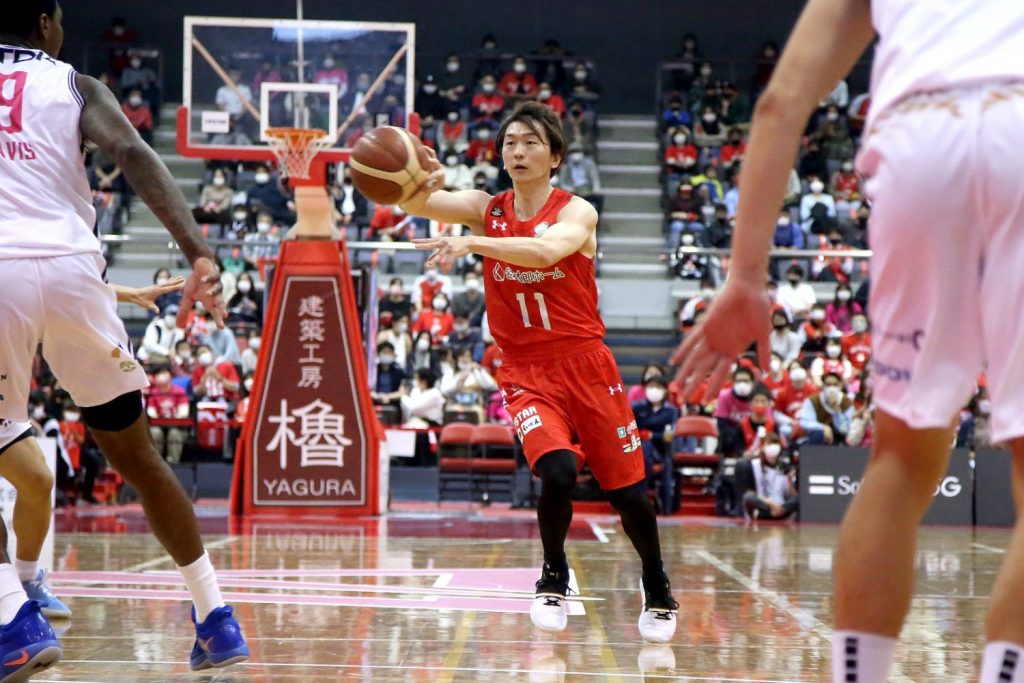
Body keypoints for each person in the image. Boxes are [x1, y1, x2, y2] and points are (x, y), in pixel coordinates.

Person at [0, 3, 248, 677]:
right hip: (75, 271)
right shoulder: (74, 83)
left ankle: (14, 618)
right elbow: (134, 152)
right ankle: (215, 616)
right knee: (137, 455)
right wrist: (199, 253)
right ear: (45, 23)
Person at [408, 101, 677, 642]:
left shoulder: (577, 212)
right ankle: (553, 575)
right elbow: (412, 200)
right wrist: (415, 176)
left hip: (587, 365)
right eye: (510, 142)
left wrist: (472, 241)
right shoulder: (485, 207)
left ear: (554, 156)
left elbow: (544, 251)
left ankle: (656, 582)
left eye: (531, 142)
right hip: (526, 371)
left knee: (627, 494)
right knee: (555, 471)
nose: (518, 150)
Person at [734, 434, 798, 520]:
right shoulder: (752, 465)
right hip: (764, 504)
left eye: (775, 444)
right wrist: (771, 504)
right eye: (769, 444)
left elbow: (792, 495)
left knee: (799, 498)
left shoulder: (786, 467)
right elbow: (749, 493)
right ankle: (765, 513)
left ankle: (780, 512)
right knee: (748, 497)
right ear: (763, 447)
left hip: (782, 506)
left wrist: (790, 480)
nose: (773, 447)